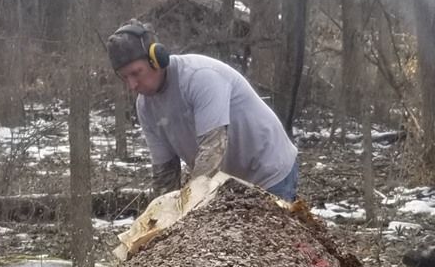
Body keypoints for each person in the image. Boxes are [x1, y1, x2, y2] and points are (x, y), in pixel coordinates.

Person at [105, 20, 300, 203]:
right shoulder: (145, 107)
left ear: (157, 59)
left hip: (269, 170)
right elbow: (165, 172)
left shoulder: (200, 78)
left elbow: (212, 150)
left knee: (266, 237)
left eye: (136, 73)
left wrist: (190, 207)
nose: (131, 85)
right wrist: (163, 217)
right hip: (230, 181)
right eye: (124, 77)